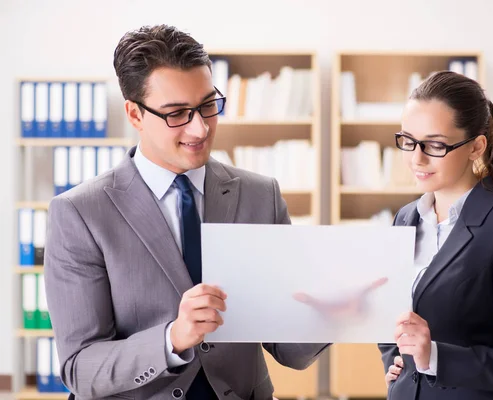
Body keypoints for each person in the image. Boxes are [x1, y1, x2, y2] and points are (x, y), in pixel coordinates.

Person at [44, 24, 328, 400]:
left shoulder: (262, 196)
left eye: (208, 105)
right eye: (177, 113)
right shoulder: (80, 213)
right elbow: (81, 368)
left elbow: (290, 350)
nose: (200, 128)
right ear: (134, 114)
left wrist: (332, 315)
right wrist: (172, 339)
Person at [379, 71, 493, 399]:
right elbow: (396, 317)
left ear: (476, 147)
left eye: (435, 145)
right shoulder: (406, 218)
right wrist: (395, 359)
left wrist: (433, 356)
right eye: (407, 141)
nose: (416, 158)